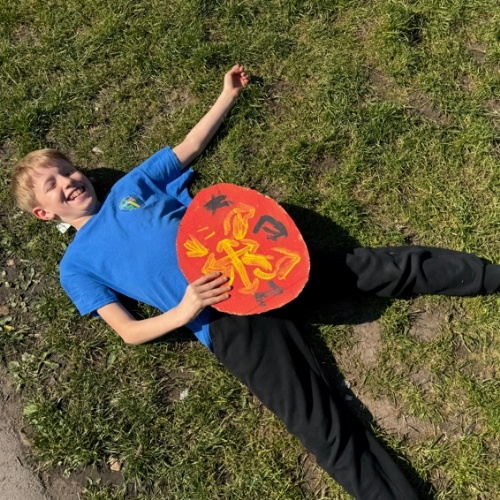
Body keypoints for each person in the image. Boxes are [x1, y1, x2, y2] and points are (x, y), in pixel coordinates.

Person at [10, 64, 500, 499]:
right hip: (224, 321)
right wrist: (185, 310)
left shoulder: (128, 188)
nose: (69, 181)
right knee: (319, 424)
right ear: (42, 213)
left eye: (68, 171)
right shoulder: (76, 266)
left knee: (378, 267)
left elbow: (188, 147)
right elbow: (128, 331)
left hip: (259, 264)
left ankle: (488, 276)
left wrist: (227, 95)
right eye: (53, 185)